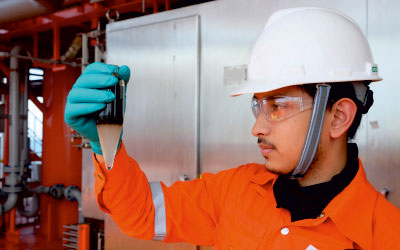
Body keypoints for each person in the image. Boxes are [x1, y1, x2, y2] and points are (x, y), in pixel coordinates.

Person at [64, 7, 400, 250]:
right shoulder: (235, 190)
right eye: (258, 105)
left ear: (339, 117)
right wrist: (104, 144)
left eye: (278, 106)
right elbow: (143, 214)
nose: (256, 127)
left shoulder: (385, 236)